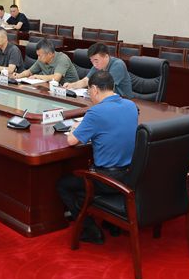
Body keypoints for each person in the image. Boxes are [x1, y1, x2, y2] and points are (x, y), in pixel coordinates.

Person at [57, 70, 138, 244]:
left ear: (94, 89)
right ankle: (112, 224)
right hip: (131, 175)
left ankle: (90, 230)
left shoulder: (96, 112)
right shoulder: (131, 106)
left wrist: (75, 128)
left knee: (64, 185)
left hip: (107, 179)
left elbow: (72, 141)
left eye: (88, 91)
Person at [64, 42, 132, 97]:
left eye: (96, 61)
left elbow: (106, 87)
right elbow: (86, 81)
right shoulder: (97, 65)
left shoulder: (118, 65)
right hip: (104, 97)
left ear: (106, 56)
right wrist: (71, 85)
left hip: (123, 100)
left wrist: (91, 89)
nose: (94, 64)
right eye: (92, 61)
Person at [13, 39, 79, 84]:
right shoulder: (41, 60)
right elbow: (29, 72)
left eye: (40, 55)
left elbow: (56, 78)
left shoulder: (62, 59)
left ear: (50, 54)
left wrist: (37, 76)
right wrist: (19, 76)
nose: (38, 58)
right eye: (37, 55)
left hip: (71, 91)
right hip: (53, 88)